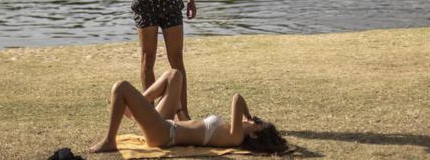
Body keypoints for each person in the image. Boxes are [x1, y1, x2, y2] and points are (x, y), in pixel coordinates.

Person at [88, 69, 287, 154]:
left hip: (163, 133)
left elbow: (237, 98)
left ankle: (109, 140)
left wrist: (247, 113)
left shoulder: (235, 137)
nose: (254, 119)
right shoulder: (228, 131)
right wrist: (179, 108)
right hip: (168, 125)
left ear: (254, 133)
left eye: (258, 122)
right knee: (175, 75)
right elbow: (188, 124)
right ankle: (134, 109)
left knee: (120, 87)